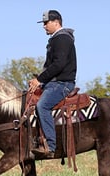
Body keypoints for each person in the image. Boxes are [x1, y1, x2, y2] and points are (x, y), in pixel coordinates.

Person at [28, 10, 77, 158]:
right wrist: (39, 80)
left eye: (46, 23)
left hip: (62, 84)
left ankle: (50, 146)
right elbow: (51, 66)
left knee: (42, 106)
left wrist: (40, 80)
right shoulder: (56, 39)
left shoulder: (62, 38)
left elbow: (59, 64)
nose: (43, 26)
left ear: (56, 22)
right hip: (54, 83)